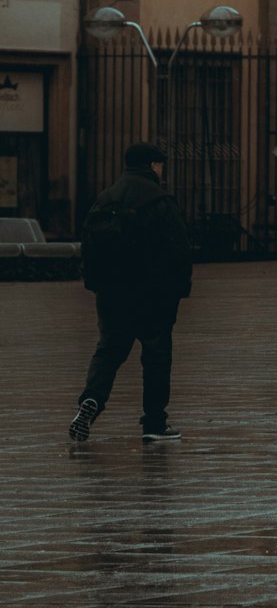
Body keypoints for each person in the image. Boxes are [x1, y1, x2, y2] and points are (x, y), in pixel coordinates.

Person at [69, 141, 192, 444]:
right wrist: (179, 289)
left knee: (109, 349)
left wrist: (96, 284)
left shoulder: (105, 199)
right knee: (156, 354)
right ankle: (154, 423)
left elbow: (88, 244)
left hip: (111, 291)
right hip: (153, 292)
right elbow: (179, 249)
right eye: (161, 166)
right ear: (153, 166)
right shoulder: (160, 200)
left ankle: (92, 400)